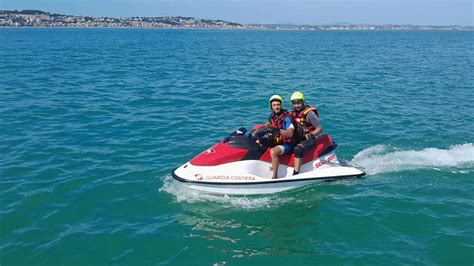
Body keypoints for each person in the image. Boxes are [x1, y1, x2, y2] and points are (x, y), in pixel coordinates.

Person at [260, 95, 295, 179]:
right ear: (271, 106)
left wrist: (277, 130)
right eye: (274, 105)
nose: (276, 107)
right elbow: (270, 126)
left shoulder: (287, 118)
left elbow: (290, 134)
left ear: (281, 105)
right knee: (258, 142)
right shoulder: (272, 116)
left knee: (273, 151)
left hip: (288, 144)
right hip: (276, 140)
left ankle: (274, 176)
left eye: (278, 104)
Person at [290, 91, 323, 175]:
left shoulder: (309, 114)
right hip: (299, 137)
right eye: (294, 103)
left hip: (310, 139)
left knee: (298, 149)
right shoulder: (293, 113)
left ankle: (296, 173)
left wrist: (311, 134)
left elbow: (319, 128)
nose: (296, 105)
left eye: (298, 103)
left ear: (303, 102)